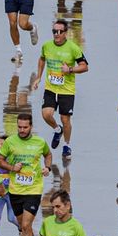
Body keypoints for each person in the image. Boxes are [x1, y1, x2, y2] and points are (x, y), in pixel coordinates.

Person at [0, 114, 55, 236]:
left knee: (25, 225)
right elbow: (0, 160)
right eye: (19, 127)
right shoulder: (10, 142)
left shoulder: (39, 142)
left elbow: (48, 154)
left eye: (25, 127)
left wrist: (47, 167)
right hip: (15, 190)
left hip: (33, 189)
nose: (22, 130)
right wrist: (11, 168)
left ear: (31, 127)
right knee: (23, 226)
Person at [30, 19, 88, 155]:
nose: (56, 34)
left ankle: (67, 146)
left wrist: (70, 70)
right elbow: (42, 59)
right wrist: (38, 77)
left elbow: (85, 67)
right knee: (46, 114)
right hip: (50, 88)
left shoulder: (73, 48)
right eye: (54, 31)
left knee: (65, 119)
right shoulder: (46, 46)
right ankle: (57, 130)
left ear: (65, 33)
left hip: (67, 91)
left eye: (60, 31)